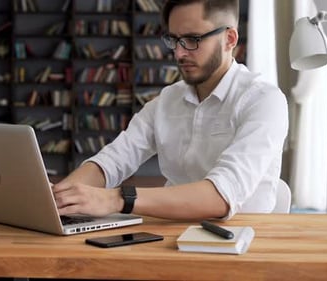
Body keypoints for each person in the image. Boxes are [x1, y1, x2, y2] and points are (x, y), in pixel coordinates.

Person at [52, 0, 289, 221]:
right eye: (174, 40)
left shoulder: (264, 101)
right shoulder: (167, 100)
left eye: (193, 39)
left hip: (242, 243)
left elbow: (222, 195)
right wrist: (61, 198)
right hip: (169, 236)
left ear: (229, 39)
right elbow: (113, 161)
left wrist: (118, 199)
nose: (179, 53)